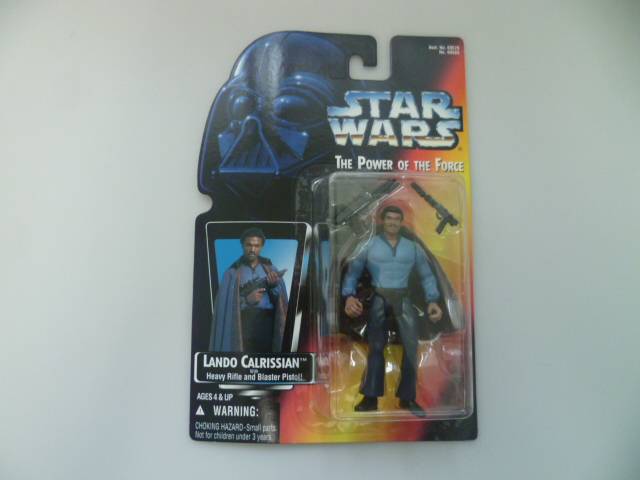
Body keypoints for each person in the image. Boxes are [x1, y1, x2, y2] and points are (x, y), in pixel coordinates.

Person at [342, 206, 443, 416]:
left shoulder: (412, 247)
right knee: (375, 347)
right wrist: (349, 296)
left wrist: (433, 300)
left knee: (411, 347)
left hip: (403, 298)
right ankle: (370, 397)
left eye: (396, 219)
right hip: (379, 298)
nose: (392, 222)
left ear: (401, 222)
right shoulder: (369, 245)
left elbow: (426, 275)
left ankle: (407, 398)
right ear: (382, 220)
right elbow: (353, 272)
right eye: (389, 218)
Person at [209, 227, 288, 353]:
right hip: (242, 325)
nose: (252, 249)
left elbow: (281, 303)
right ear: (242, 245)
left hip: (267, 324)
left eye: (256, 246)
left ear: (262, 247)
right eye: (249, 245)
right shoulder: (232, 273)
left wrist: (273, 286)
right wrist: (247, 300)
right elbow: (226, 306)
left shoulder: (271, 269)